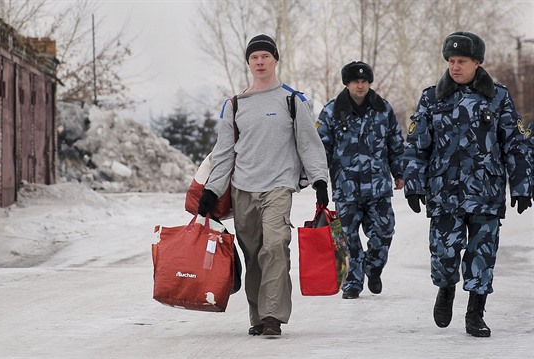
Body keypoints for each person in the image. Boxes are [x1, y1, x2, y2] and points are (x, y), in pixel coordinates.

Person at [197, 34, 329, 336]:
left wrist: (319, 178)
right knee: (253, 252)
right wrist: (212, 190)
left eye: (265, 56)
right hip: (243, 187)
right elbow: (224, 152)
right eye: (254, 57)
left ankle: (273, 316)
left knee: (275, 245)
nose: (260, 61)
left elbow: (309, 143)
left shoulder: (292, 101)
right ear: (248, 63)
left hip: (278, 186)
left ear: (275, 60)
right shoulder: (234, 104)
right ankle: (258, 317)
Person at [403, 31, 532, 338]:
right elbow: (417, 145)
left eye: (462, 61)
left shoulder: (498, 97)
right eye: (451, 61)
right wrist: (413, 184)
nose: (455, 67)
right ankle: (446, 288)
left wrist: (523, 186)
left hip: (485, 192)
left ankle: (475, 312)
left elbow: (514, 144)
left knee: (481, 254)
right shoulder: (431, 97)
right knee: (444, 253)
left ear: (477, 62)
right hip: (444, 192)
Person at [316, 61, 405, 300]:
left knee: (384, 231)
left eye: (365, 81)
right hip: (346, 188)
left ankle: (373, 267)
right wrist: (318, 180)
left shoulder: (383, 109)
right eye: (356, 81)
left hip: (378, 187)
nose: (361, 85)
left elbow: (395, 144)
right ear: (347, 83)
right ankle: (353, 282)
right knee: (348, 237)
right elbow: (320, 148)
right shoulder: (331, 111)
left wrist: (400, 173)